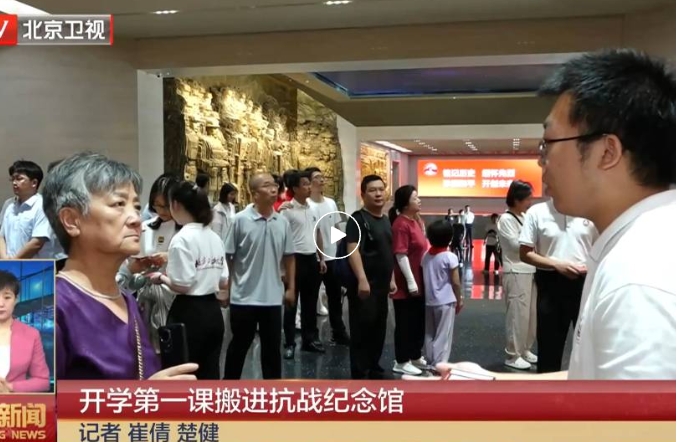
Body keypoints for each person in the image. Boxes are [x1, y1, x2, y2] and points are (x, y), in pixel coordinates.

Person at [409, 49, 676, 381]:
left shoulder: (638, 277)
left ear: (607, 152)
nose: (540, 160)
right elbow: (594, 381)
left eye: (548, 143)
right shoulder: (641, 241)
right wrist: (494, 382)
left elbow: (638, 411)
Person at [43, 152, 197, 380]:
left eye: (136, 206)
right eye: (118, 204)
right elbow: (29, 402)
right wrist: (141, 395)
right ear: (72, 220)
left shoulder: (126, 300)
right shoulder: (48, 308)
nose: (136, 219)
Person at [148, 181, 228, 380]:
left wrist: (161, 278)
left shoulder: (182, 238)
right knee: (210, 370)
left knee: (183, 371)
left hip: (189, 313)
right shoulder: (214, 237)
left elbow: (182, 285)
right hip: (213, 312)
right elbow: (224, 281)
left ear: (175, 204)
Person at [223, 173, 295, 380]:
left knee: (272, 349)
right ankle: (228, 388)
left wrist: (291, 288)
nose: (273, 189)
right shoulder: (239, 221)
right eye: (267, 185)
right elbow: (228, 257)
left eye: (275, 185)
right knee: (239, 345)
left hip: (272, 297)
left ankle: (273, 391)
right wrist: (226, 288)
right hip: (243, 297)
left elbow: (289, 257)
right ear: (254, 194)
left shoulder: (282, 222)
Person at [519, 198, 597, 373]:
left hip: (585, 283)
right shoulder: (537, 212)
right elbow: (525, 253)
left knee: (587, 347)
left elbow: (600, 248)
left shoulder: (590, 209)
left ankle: (585, 388)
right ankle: (547, 388)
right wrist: (556, 264)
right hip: (550, 284)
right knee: (549, 348)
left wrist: (590, 266)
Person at [117, 174, 181, 353]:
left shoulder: (187, 231)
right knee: (147, 347)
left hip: (175, 296)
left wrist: (170, 256)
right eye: (156, 205)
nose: (161, 210)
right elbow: (130, 267)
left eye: (166, 206)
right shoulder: (146, 227)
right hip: (147, 293)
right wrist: (140, 265)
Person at [345, 175, 396, 379]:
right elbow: (352, 250)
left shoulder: (385, 220)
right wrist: (362, 279)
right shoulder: (357, 219)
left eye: (381, 190)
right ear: (363, 194)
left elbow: (388, 251)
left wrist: (391, 279)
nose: (378, 194)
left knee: (378, 327)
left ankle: (374, 364)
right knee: (361, 328)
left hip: (381, 285)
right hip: (365, 286)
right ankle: (360, 370)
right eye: (372, 190)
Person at [281, 170, 327, 358]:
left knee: (310, 302)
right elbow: (281, 239)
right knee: (291, 303)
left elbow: (318, 234)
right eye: (305, 184)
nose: (309, 187)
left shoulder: (313, 208)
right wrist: (283, 268)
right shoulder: (287, 211)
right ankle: (289, 342)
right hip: (294, 259)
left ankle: (310, 339)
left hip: (311, 259)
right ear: (295, 188)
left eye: (309, 183)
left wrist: (321, 257)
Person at [497, 180, 538, 370]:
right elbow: (515, 246)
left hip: (530, 270)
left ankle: (525, 349)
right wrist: (534, 242)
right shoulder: (506, 219)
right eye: (527, 198)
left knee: (530, 315)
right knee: (517, 315)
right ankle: (513, 354)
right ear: (516, 199)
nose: (530, 202)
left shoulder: (523, 216)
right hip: (515, 271)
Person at [388, 185, 427, 376]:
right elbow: (400, 255)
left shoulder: (415, 221)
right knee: (405, 322)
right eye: (415, 198)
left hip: (420, 279)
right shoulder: (401, 224)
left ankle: (415, 354)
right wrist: (411, 282)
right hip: (406, 283)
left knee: (417, 320)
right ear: (405, 204)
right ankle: (402, 360)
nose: (419, 200)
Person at [0, 269, 50, 393]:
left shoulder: (31, 334)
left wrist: (10, 387)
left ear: (16, 299)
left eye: (7, 297)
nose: (1, 303)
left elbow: (43, 381)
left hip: (14, 403)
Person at [421, 220, 462, 367]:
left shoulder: (425, 256)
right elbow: (456, 282)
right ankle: (439, 363)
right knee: (443, 334)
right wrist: (459, 299)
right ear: (449, 237)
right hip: (446, 301)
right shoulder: (450, 257)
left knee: (429, 333)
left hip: (429, 300)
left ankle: (430, 360)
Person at [0, 160, 53, 259]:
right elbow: (1, 237)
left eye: (19, 179)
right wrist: (4, 259)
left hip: (33, 264)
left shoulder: (42, 205)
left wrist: (15, 261)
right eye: (13, 179)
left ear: (34, 183)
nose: (14, 183)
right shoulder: (10, 206)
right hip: (8, 263)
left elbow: (37, 242)